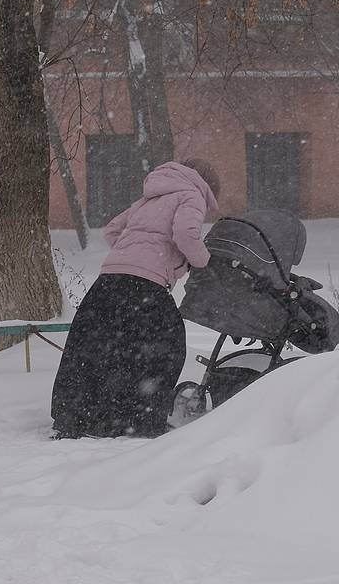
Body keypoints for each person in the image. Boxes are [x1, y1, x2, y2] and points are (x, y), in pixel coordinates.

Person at [51, 158, 220, 439]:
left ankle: (78, 414)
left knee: (98, 346)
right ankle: (136, 418)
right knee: (165, 346)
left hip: (108, 280)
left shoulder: (148, 198)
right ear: (206, 184)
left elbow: (111, 231)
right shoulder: (192, 195)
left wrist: (132, 253)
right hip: (146, 286)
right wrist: (202, 261)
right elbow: (185, 235)